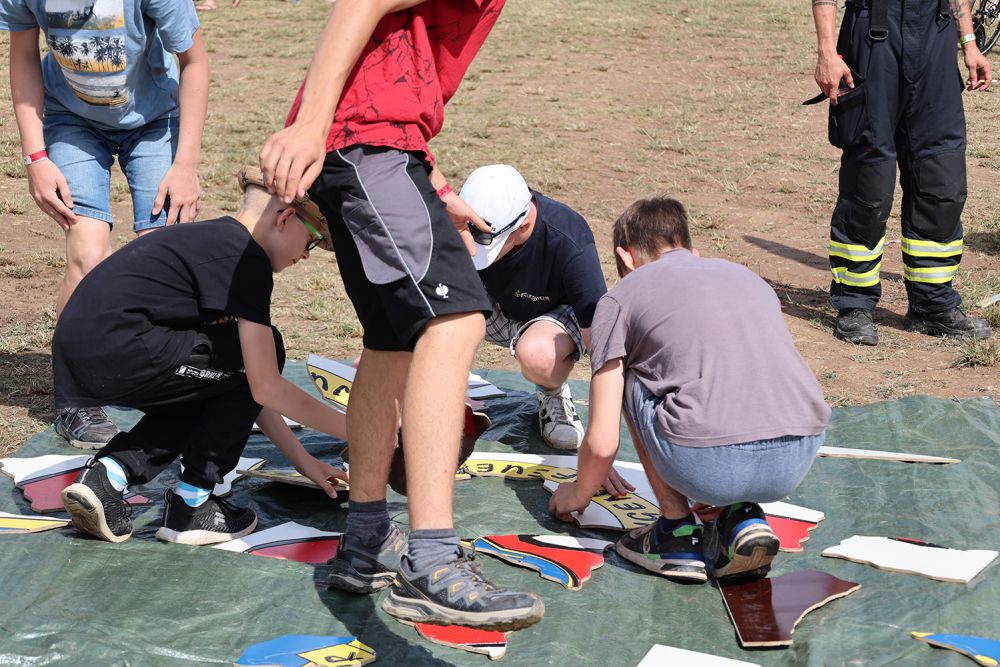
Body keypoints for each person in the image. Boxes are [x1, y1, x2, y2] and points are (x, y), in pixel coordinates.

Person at [259, 0, 543, 631]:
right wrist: (310, 125)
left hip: (376, 144)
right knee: (457, 320)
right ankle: (431, 560)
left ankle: (366, 538)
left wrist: (434, 184)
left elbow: (400, 51)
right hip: (365, 142)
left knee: (390, 340)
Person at [57, 167, 348, 546]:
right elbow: (265, 385)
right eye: (312, 240)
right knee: (263, 351)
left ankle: (108, 476)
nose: (306, 255)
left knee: (216, 381)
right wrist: (357, 431)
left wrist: (303, 461)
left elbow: (247, 387)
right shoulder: (246, 258)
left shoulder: (214, 240)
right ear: (285, 217)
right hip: (124, 345)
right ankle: (192, 504)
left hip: (86, 350)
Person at [549, 197, 831, 583]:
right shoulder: (747, 278)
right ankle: (740, 515)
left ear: (625, 257)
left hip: (709, 463)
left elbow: (602, 442)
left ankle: (676, 533)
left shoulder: (621, 297)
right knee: (733, 373)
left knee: (628, 373)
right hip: (796, 457)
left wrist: (578, 495)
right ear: (691, 250)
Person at [2, 0, 209, 448]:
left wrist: (186, 165)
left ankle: (172, 383)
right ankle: (76, 399)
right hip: (70, 120)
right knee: (88, 252)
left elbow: (194, 62)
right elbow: (23, 56)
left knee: (163, 253)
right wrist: (35, 157)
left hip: (155, 121)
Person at [811, 0, 992, 345]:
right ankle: (854, 304)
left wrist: (969, 42)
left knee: (942, 176)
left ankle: (932, 303)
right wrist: (827, 52)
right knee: (869, 182)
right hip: (873, 34)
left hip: (936, 34)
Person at [459, 164, 607, 451]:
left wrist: (602, 443)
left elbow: (600, 340)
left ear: (524, 224)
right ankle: (443, 392)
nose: (476, 250)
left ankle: (553, 393)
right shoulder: (464, 219)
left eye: (488, 243)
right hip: (498, 308)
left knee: (538, 354)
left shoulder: (568, 237)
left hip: (554, 318)